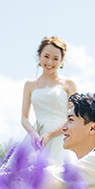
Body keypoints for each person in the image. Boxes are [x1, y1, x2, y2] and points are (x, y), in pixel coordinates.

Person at [20, 36, 78, 166]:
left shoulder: (69, 84)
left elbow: (74, 116)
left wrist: (50, 134)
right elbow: (24, 117)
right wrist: (33, 134)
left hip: (60, 136)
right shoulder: (29, 85)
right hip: (36, 138)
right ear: (39, 56)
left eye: (55, 58)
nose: (50, 62)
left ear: (62, 61)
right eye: (46, 56)